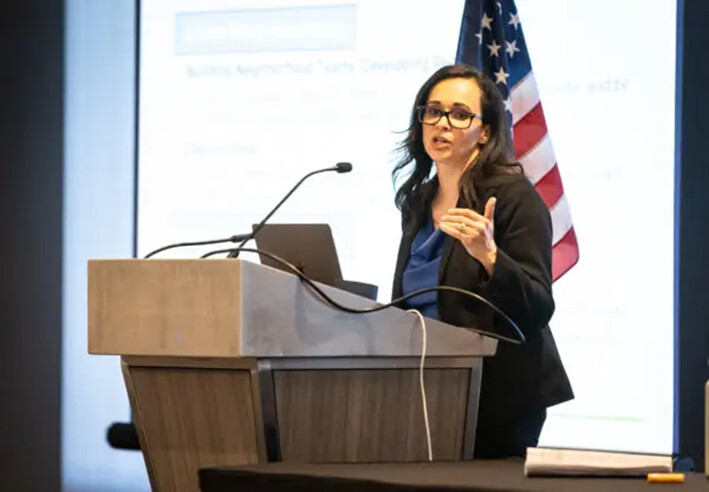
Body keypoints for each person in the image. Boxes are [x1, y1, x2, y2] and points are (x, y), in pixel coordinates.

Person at [391, 64, 573, 458]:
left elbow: (538, 306)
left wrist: (490, 257)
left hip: (497, 396)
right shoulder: (419, 200)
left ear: (485, 131)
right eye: (433, 111)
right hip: (427, 391)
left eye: (459, 114)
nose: (442, 124)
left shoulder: (514, 196)